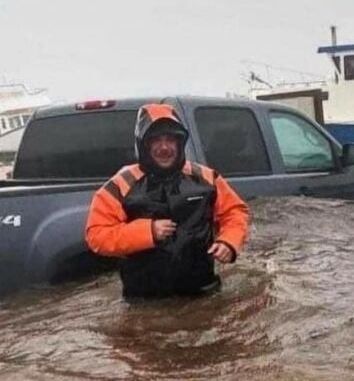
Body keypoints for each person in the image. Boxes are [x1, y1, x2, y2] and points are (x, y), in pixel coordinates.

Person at [85, 103, 249, 299]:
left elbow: (235, 212)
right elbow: (97, 235)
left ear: (180, 143)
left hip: (203, 293)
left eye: (171, 139)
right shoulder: (120, 185)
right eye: (156, 140)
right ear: (143, 144)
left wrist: (229, 243)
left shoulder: (206, 177)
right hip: (144, 301)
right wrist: (148, 232)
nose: (164, 147)